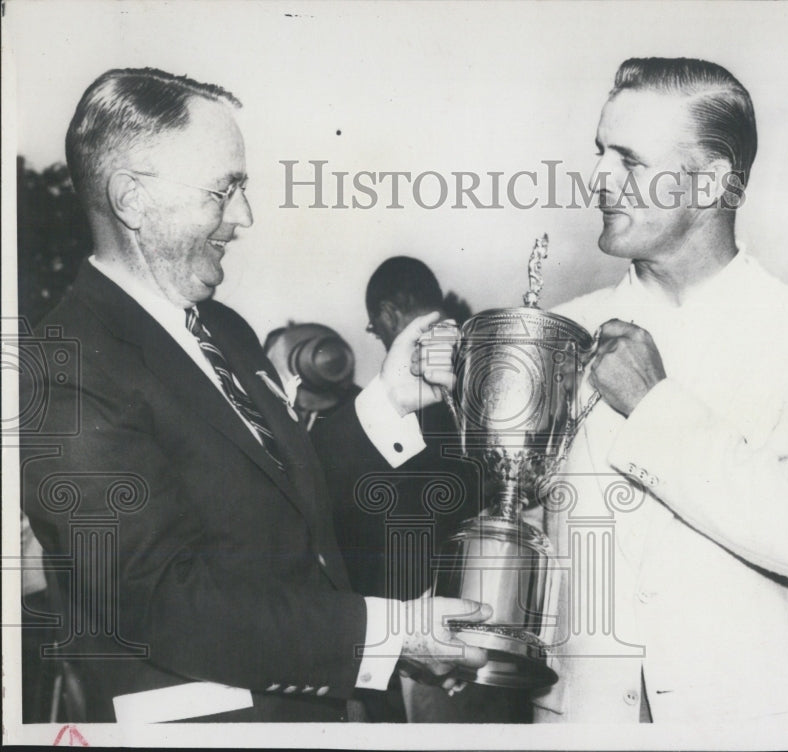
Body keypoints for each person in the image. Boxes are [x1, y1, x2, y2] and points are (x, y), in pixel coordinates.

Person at [19, 68, 487, 724]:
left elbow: (284, 503)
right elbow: (160, 602)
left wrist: (389, 400)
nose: (245, 216)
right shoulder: (61, 369)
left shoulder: (224, 330)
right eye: (224, 189)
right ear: (131, 198)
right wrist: (393, 634)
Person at [529, 58, 788, 727]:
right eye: (599, 153)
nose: (597, 178)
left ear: (712, 180)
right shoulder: (558, 332)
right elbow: (524, 522)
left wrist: (653, 404)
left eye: (628, 160)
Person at [313, 257, 528, 721]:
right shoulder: (495, 368)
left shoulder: (413, 398)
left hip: (417, 637)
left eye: (374, 328)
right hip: (499, 615)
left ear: (389, 314)